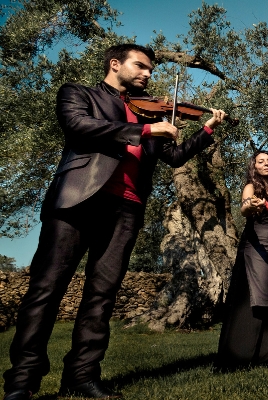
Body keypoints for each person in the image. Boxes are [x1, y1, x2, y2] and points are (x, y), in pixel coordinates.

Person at [2, 44, 226, 400]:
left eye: (151, 70)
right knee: (45, 290)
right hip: (78, 199)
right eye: (141, 67)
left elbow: (175, 156)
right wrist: (145, 133)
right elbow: (78, 126)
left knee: (101, 296)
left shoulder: (151, 114)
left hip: (128, 209)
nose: (148, 74)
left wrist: (208, 129)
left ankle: (82, 376)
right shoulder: (79, 94)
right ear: (115, 64)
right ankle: (22, 380)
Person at [214, 151, 268, 372]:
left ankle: (265, 356)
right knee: (252, 302)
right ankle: (239, 358)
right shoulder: (250, 187)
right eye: (261, 161)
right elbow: (244, 207)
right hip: (255, 250)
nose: (266, 164)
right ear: (253, 166)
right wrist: (250, 206)